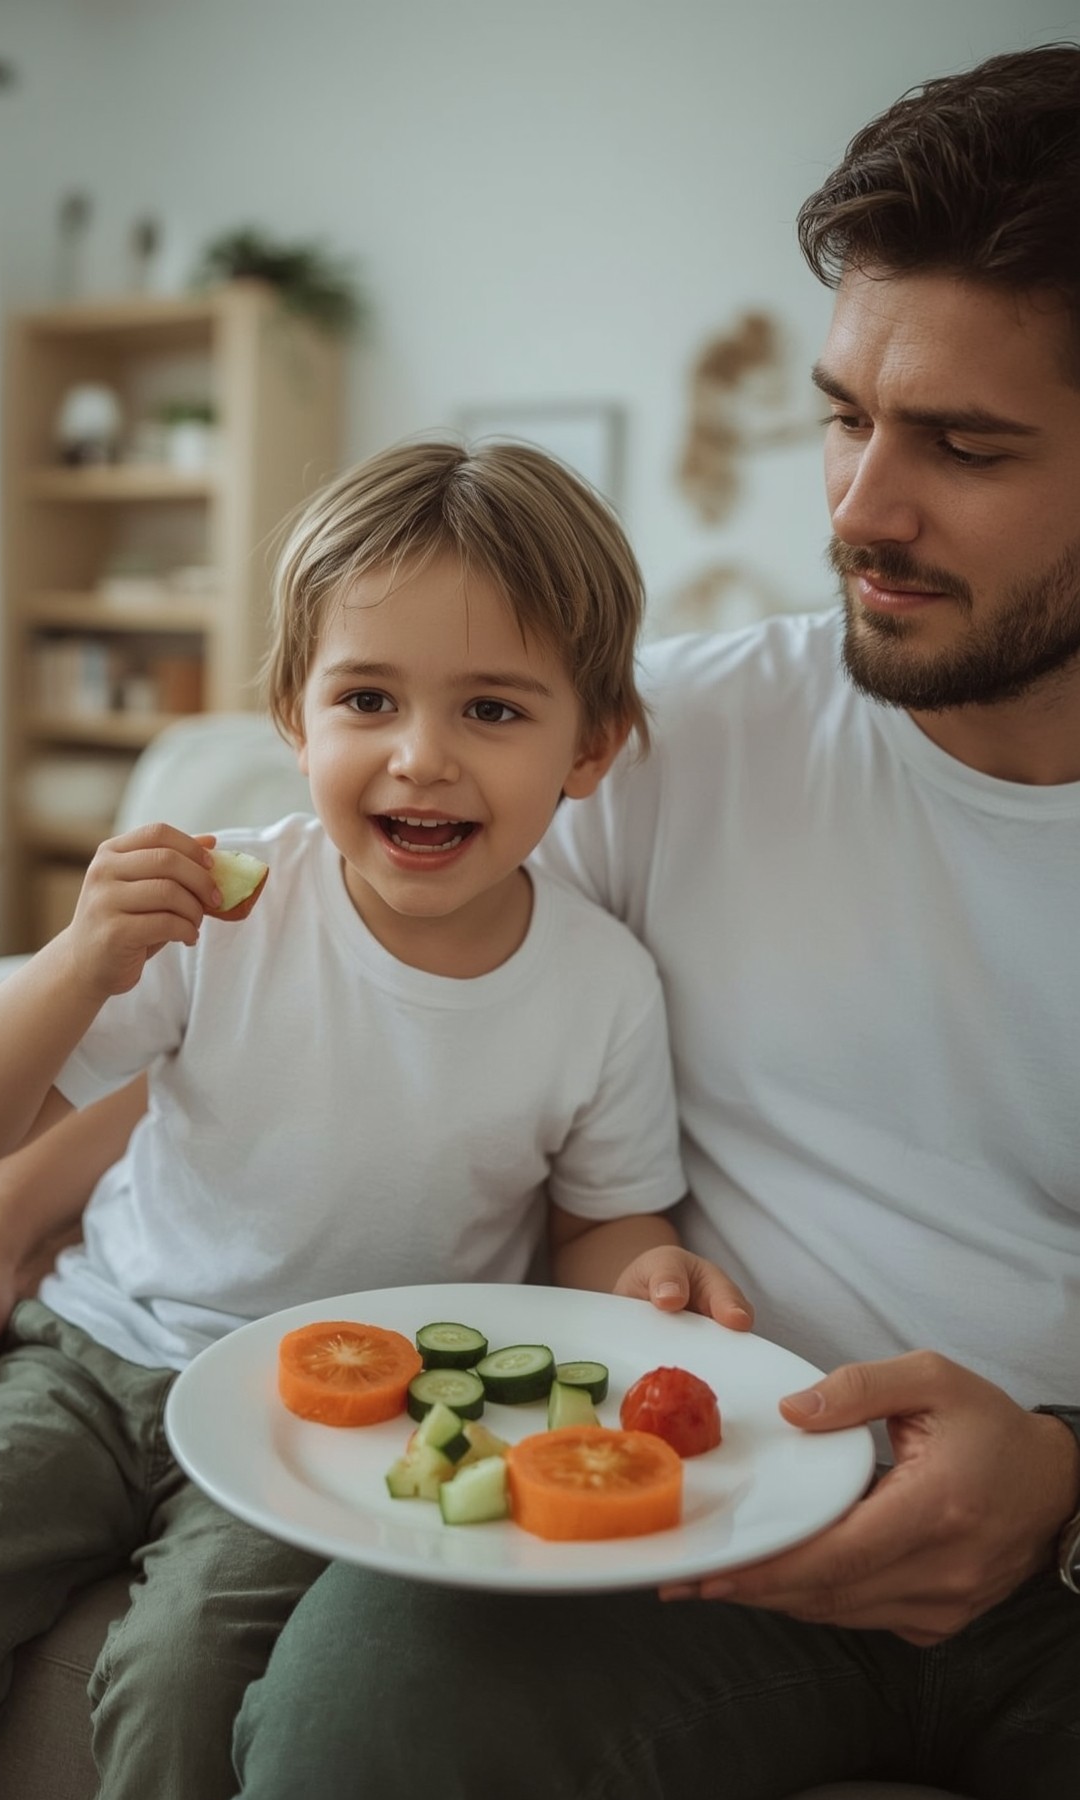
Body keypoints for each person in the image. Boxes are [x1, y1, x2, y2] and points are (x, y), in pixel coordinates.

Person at [213, 42, 1079, 1799]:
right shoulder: (660, 742)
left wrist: (1065, 1480)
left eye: (964, 447)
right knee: (363, 1708)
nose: (859, 510)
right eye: (844, 416)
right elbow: (268, 954)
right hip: (686, 1507)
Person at [0, 439, 754, 1800]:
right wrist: (71, 962)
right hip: (90, 1354)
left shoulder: (603, 988)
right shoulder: (227, 912)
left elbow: (604, 1221)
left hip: (343, 1419)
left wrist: (643, 1274)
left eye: (491, 710)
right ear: (296, 718)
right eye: (368, 697)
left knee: (180, 1680)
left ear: (593, 745)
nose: (421, 757)